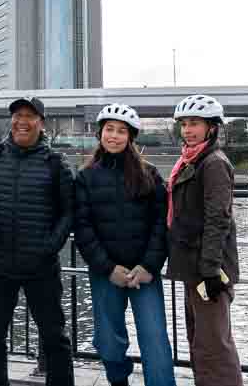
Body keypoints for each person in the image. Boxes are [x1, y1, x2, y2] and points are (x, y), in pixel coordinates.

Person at [0, 96, 76, 386]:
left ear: (41, 123)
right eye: (17, 115)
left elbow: (70, 211)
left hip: (41, 267)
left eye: (29, 116)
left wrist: (50, 246)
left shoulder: (55, 162)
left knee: (55, 337)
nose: (22, 121)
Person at [74, 104, 174, 386]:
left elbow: (160, 224)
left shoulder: (149, 174)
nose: (114, 136)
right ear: (100, 134)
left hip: (144, 272)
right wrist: (107, 267)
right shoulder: (86, 177)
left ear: (130, 137)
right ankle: (119, 380)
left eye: (121, 131)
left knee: (154, 338)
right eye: (109, 130)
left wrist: (149, 265)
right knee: (107, 339)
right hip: (107, 273)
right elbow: (83, 228)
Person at [165, 94, 241, 386]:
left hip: (208, 270)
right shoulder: (190, 160)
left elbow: (218, 218)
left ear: (212, 127)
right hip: (193, 266)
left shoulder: (213, 163)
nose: (187, 130)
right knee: (199, 339)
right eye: (184, 124)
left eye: (195, 124)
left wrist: (210, 271)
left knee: (213, 346)